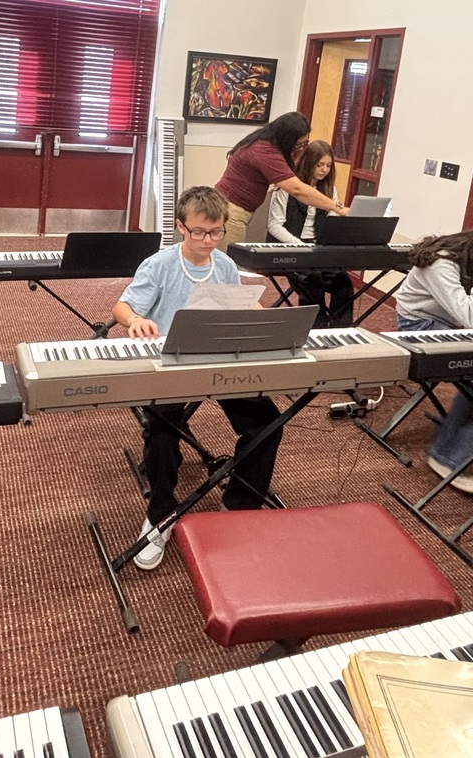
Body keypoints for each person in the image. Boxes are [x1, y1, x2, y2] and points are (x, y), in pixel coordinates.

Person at [112, 186, 283, 570]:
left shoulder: (222, 265)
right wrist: (136, 320)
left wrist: (266, 316)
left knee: (268, 421)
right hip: (170, 364)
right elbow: (121, 306)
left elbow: (238, 303)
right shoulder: (159, 264)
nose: (208, 241)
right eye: (199, 232)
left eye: (216, 232)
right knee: (161, 430)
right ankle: (160, 515)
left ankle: (239, 503)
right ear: (181, 228)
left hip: (218, 360)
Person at [395, 229, 473, 493]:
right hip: (419, 325)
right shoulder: (441, 263)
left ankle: (451, 441)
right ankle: (448, 457)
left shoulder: (463, 260)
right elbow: (468, 316)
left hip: (451, 325)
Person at [214, 111, 349, 251]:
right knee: (227, 262)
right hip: (231, 212)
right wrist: (338, 208)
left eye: (305, 143)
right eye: (299, 143)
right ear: (288, 139)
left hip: (229, 207)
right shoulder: (265, 152)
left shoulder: (262, 143)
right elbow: (298, 190)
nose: (300, 147)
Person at [267, 139, 353, 327]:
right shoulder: (287, 188)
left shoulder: (330, 190)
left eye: (329, 166)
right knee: (313, 282)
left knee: (343, 282)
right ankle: (316, 329)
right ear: (308, 163)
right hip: (292, 248)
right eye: (319, 165)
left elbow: (331, 222)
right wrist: (300, 245)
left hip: (319, 247)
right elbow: (274, 226)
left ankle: (341, 329)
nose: (324, 170)